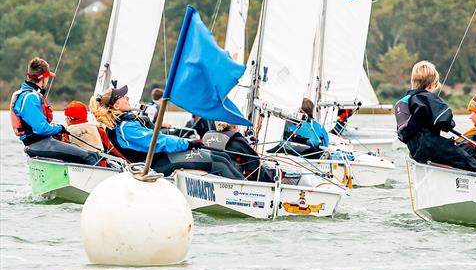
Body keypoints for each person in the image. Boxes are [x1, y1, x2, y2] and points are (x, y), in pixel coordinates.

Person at [91, 85, 244, 179]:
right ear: (116, 106)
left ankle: (246, 185)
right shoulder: (125, 127)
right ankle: (246, 194)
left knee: (221, 156)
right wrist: (187, 143)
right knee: (218, 162)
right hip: (158, 164)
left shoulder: (127, 122)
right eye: (124, 97)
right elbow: (156, 142)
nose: (128, 97)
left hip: (164, 158)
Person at [395, 61, 476, 173]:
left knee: (467, 148)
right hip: (430, 145)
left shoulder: (403, 102)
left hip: (415, 150)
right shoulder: (427, 97)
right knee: (469, 161)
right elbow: (445, 121)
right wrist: (449, 124)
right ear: (431, 84)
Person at [9, 57, 100, 165]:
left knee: (85, 154)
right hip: (39, 144)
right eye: (48, 77)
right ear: (43, 78)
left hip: (40, 143)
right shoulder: (30, 97)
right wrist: (59, 128)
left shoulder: (26, 93)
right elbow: (41, 128)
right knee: (91, 156)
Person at [203, 123, 276, 182]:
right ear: (234, 126)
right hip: (232, 179)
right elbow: (254, 161)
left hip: (209, 173)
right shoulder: (237, 141)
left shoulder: (208, 136)